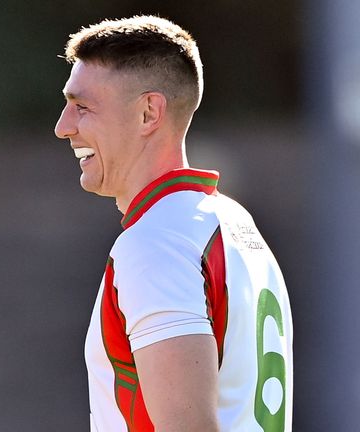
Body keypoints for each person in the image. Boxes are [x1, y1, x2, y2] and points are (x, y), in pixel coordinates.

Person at [55, 15, 293, 432]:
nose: (63, 127)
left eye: (82, 107)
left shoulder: (155, 241)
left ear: (149, 112)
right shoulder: (234, 224)